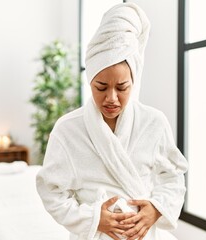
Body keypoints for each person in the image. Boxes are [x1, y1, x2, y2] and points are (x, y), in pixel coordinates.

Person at [36, 2, 188, 240]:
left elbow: (173, 176)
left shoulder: (154, 122)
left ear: (133, 82)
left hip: (144, 234)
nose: (111, 98)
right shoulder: (68, 130)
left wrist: (156, 209)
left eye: (122, 87)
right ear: (90, 82)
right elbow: (51, 190)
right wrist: (94, 219)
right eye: (101, 87)